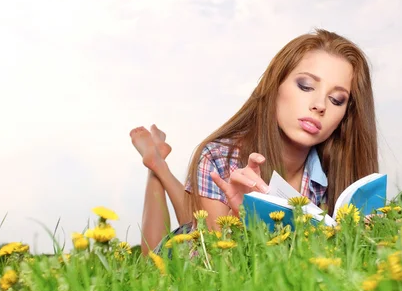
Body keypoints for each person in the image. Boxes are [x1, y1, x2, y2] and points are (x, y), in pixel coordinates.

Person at [130, 28, 378, 256]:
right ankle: (155, 167)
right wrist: (239, 220)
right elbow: (218, 265)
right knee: (153, 258)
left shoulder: (334, 178)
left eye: (336, 100)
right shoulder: (218, 158)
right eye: (305, 86)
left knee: (194, 220)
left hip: (205, 229)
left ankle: (158, 162)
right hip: (193, 254)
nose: (320, 105)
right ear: (275, 86)